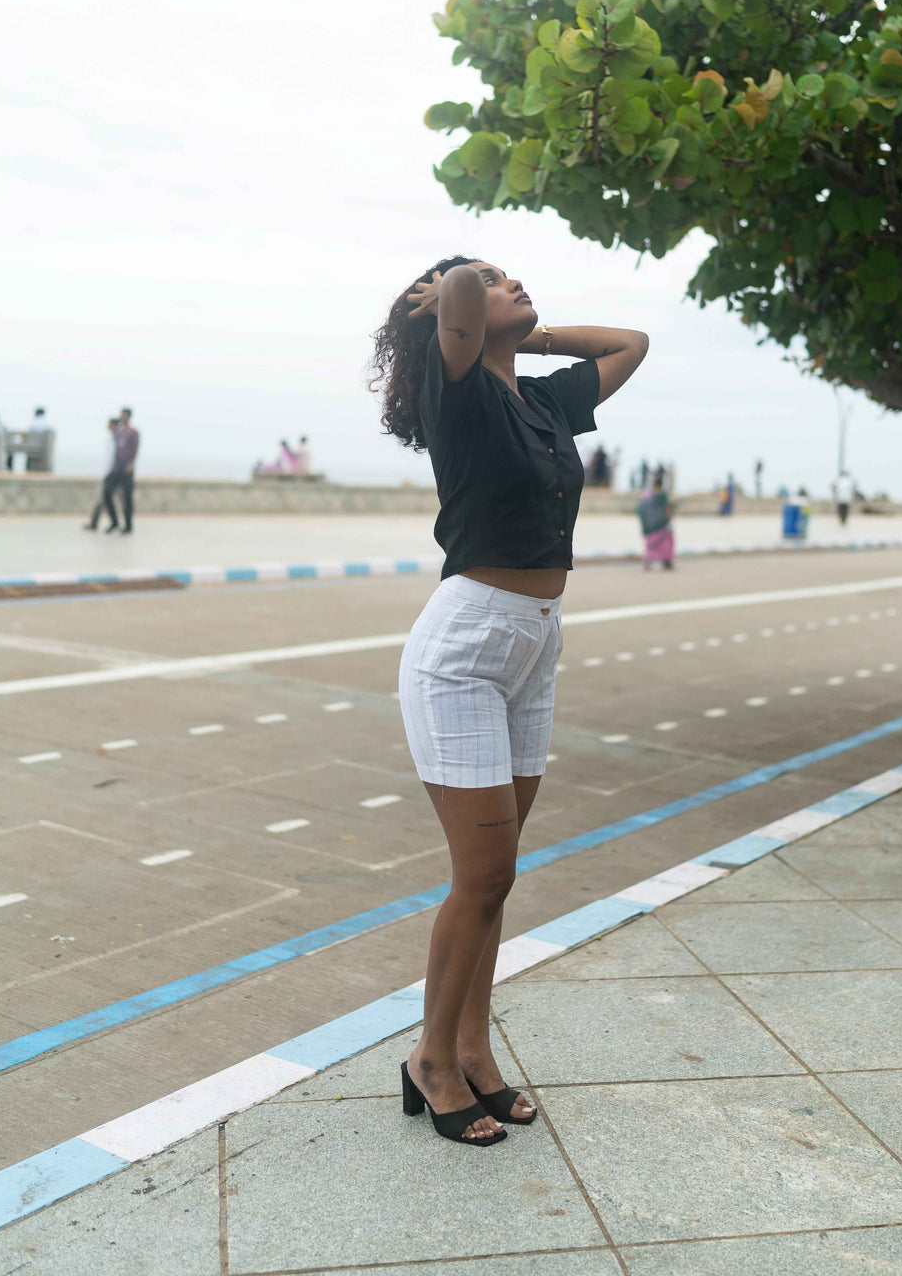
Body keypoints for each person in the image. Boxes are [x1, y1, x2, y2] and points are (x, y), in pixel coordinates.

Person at [370, 256, 647, 1147]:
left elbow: (631, 343)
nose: (512, 281)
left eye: (510, 273)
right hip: (465, 652)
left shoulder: (540, 398)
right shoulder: (457, 392)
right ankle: (430, 1060)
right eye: (492, 279)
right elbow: (456, 297)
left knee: (498, 877)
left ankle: (472, 1050)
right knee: (482, 873)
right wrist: (457, 290)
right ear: (447, 315)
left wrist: (529, 333)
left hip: (535, 643)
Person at [103, 407, 139, 534]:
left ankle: (128, 525)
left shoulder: (133, 432)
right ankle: (114, 522)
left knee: (127, 498)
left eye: (124, 415)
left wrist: (130, 464)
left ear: (128, 416)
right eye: (121, 415)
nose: (122, 417)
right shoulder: (118, 433)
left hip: (126, 469)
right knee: (107, 493)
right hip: (115, 469)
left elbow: (135, 449)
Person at [82, 418, 119, 530]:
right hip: (108, 473)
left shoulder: (118, 440)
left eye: (110, 424)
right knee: (104, 498)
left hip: (113, 474)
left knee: (105, 498)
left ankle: (110, 523)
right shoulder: (111, 440)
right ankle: (100, 522)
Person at [638, 467, 675, 570]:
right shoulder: (662, 494)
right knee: (666, 542)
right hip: (660, 524)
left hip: (648, 524)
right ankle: (666, 561)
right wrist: (669, 520)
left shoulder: (646, 494)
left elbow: (640, 508)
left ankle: (648, 562)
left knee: (651, 544)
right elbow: (667, 508)